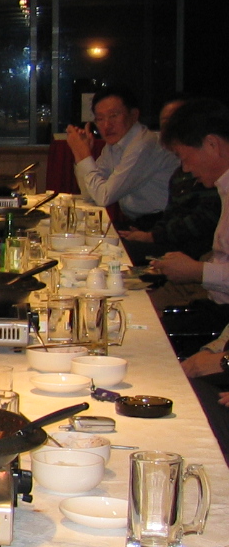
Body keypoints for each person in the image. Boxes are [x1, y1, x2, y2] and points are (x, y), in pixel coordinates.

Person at [155, 98, 229, 451]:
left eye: (186, 157)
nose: (184, 168)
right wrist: (216, 352)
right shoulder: (224, 187)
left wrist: (222, 360)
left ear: (212, 144)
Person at [119, 96, 221, 266]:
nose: (186, 168)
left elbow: (203, 222)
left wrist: (153, 236)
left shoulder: (214, 178)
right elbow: (170, 214)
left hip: (188, 250)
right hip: (173, 243)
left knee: (121, 252)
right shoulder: (181, 174)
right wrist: (152, 233)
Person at [66, 85, 178, 227]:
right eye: (100, 119)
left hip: (162, 224)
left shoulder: (144, 144)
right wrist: (79, 153)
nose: (107, 125)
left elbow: (104, 197)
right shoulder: (112, 146)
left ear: (134, 115)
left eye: (113, 116)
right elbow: (90, 195)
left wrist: (84, 155)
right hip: (139, 222)